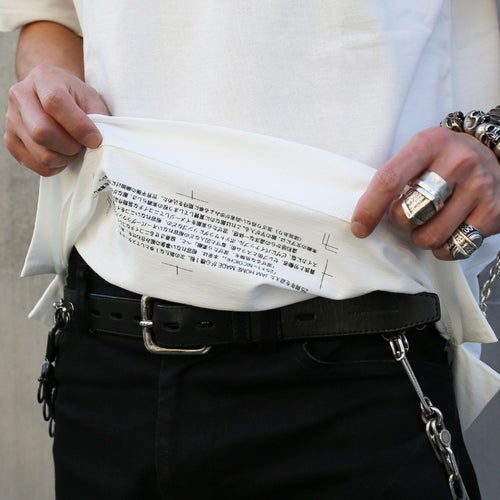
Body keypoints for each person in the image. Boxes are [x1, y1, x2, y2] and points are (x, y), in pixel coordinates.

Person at [2, 1, 500, 499]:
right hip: (112, 355)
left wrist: (494, 141)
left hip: (365, 347)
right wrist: (48, 89)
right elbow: (52, 16)